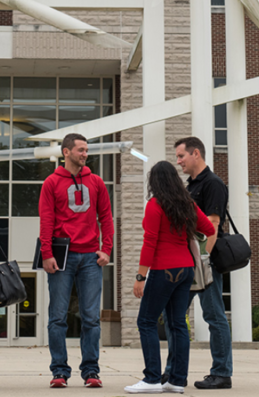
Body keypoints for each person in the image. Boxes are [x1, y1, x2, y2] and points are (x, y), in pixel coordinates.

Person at [125, 161, 216, 394]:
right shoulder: (187, 204)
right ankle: (176, 380)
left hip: (164, 270)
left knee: (146, 322)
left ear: (154, 181)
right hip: (186, 269)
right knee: (177, 324)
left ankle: (152, 379)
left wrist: (140, 276)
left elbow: (150, 242)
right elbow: (209, 228)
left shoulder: (155, 204)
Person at [39, 133, 115, 389]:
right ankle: (59, 371)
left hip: (91, 258)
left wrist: (107, 249)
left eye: (86, 150)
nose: (85, 154)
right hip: (63, 257)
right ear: (66, 152)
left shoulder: (96, 182)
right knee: (58, 317)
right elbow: (46, 220)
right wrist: (47, 253)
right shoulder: (51, 182)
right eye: (80, 150)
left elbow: (106, 217)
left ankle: (91, 371)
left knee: (91, 318)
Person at [165, 136, 232, 390]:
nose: (179, 161)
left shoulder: (213, 184)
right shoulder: (189, 186)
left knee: (214, 316)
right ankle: (173, 372)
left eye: (181, 156)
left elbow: (212, 226)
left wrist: (201, 262)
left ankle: (222, 373)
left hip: (205, 263)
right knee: (173, 315)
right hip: (185, 261)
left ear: (196, 154)